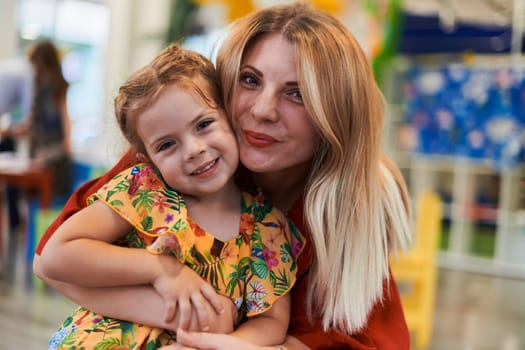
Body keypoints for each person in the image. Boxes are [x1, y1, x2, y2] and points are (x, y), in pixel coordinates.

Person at [34, 2, 413, 349]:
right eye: (250, 79)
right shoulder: (171, 151)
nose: (263, 110)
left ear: (336, 114)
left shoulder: (336, 210)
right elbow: (50, 262)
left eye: (297, 94)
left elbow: (360, 340)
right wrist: (185, 308)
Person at [42, 43, 303, 349]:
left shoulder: (268, 229)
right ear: (148, 157)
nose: (194, 150)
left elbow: (270, 322)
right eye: (167, 145)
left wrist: (212, 345)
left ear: (229, 117)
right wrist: (160, 270)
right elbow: (57, 254)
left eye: (204, 125)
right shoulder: (147, 191)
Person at [8, 40, 73, 199]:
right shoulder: (36, 86)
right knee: (30, 198)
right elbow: (32, 122)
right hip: (37, 152)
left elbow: (65, 120)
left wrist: (65, 143)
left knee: (49, 201)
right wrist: (13, 130)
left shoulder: (57, 86)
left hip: (53, 156)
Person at [0, 56, 34, 230]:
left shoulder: (12, 66)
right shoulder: (28, 74)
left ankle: (13, 221)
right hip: (4, 133)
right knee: (12, 179)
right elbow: (29, 115)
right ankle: (14, 222)